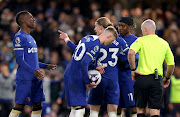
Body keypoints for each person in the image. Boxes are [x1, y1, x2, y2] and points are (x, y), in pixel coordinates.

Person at [60, 17, 129, 117]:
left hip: (74, 74)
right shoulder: (101, 44)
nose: (94, 29)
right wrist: (87, 83)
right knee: (80, 109)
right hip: (106, 78)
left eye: (95, 27)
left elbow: (78, 50)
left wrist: (67, 39)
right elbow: (84, 63)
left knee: (77, 109)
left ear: (101, 28)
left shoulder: (88, 38)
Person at [9, 11, 57, 117]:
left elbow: (32, 61)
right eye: (30, 18)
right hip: (25, 76)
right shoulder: (19, 37)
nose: (33, 19)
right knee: (19, 105)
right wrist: (34, 71)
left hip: (36, 76)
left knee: (37, 104)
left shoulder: (31, 38)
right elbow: (20, 60)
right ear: (23, 21)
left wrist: (45, 66)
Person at [128, 19, 175, 117]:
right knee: (155, 110)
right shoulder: (164, 43)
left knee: (140, 109)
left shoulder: (140, 40)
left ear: (145, 29)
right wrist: (167, 78)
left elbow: (131, 53)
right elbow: (171, 65)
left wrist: (133, 70)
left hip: (142, 78)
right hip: (157, 79)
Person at [117, 16, 138, 117]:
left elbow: (137, 57)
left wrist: (126, 62)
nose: (120, 28)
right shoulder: (114, 38)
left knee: (133, 104)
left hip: (128, 75)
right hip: (116, 75)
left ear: (130, 27)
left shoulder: (135, 40)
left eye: (123, 26)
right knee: (117, 104)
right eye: (119, 25)